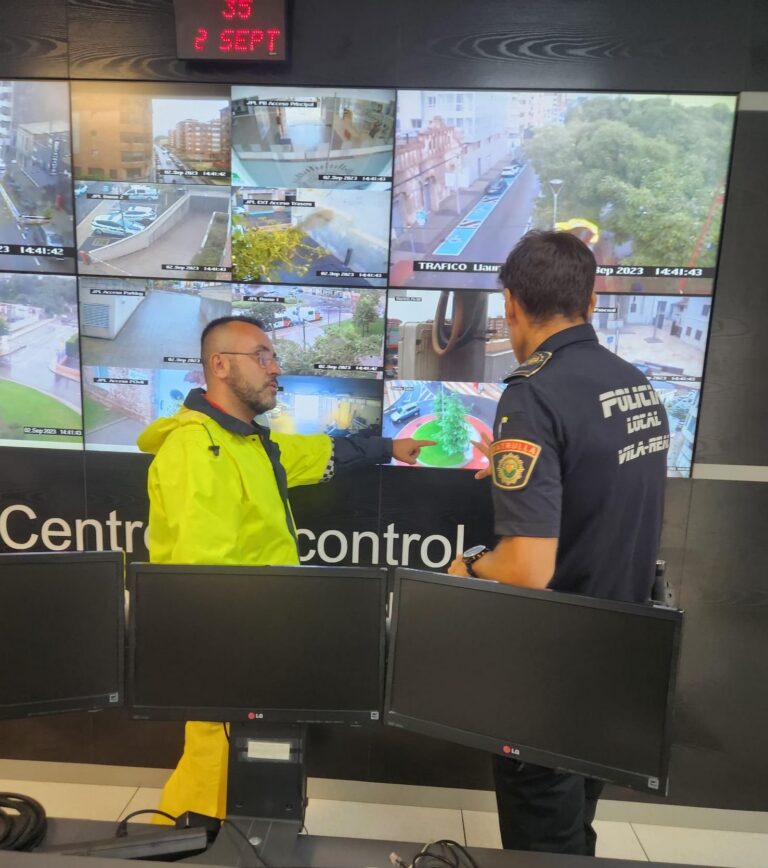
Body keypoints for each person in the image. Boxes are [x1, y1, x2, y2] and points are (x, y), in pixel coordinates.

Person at [137, 315, 433, 821]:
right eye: (263, 357)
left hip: (259, 643)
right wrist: (255, 653)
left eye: (274, 357)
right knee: (216, 763)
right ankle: (192, 841)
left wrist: (388, 447)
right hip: (228, 653)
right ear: (220, 365)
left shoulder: (247, 440)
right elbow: (202, 579)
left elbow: (316, 453)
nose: (276, 369)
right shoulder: (195, 450)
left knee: (248, 767)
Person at [448, 230, 669, 856]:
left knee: (540, 838)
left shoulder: (532, 392)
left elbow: (525, 568)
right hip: (617, 655)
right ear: (592, 300)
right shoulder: (634, 383)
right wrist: (532, 477)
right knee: (574, 826)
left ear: (511, 304)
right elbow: (606, 483)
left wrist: (468, 567)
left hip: (548, 671)